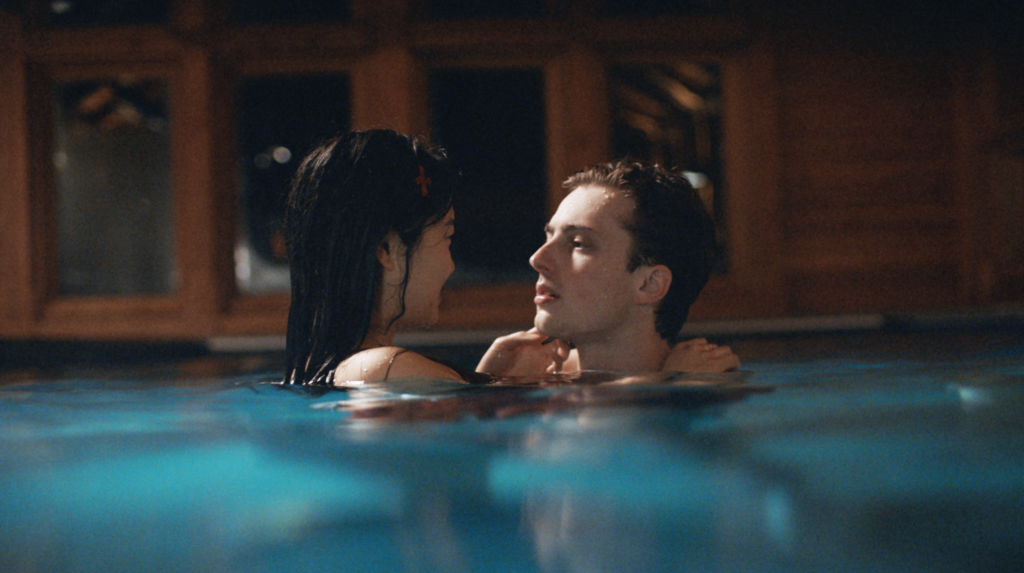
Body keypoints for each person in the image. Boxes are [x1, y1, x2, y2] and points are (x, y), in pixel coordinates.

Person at [477, 159, 739, 376]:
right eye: (549, 237)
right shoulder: (525, 374)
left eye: (578, 244)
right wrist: (485, 384)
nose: (537, 258)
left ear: (649, 284)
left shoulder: (709, 390)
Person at [283, 129, 481, 385]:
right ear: (386, 249)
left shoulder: (321, 368)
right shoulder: (391, 369)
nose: (451, 265)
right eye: (447, 236)